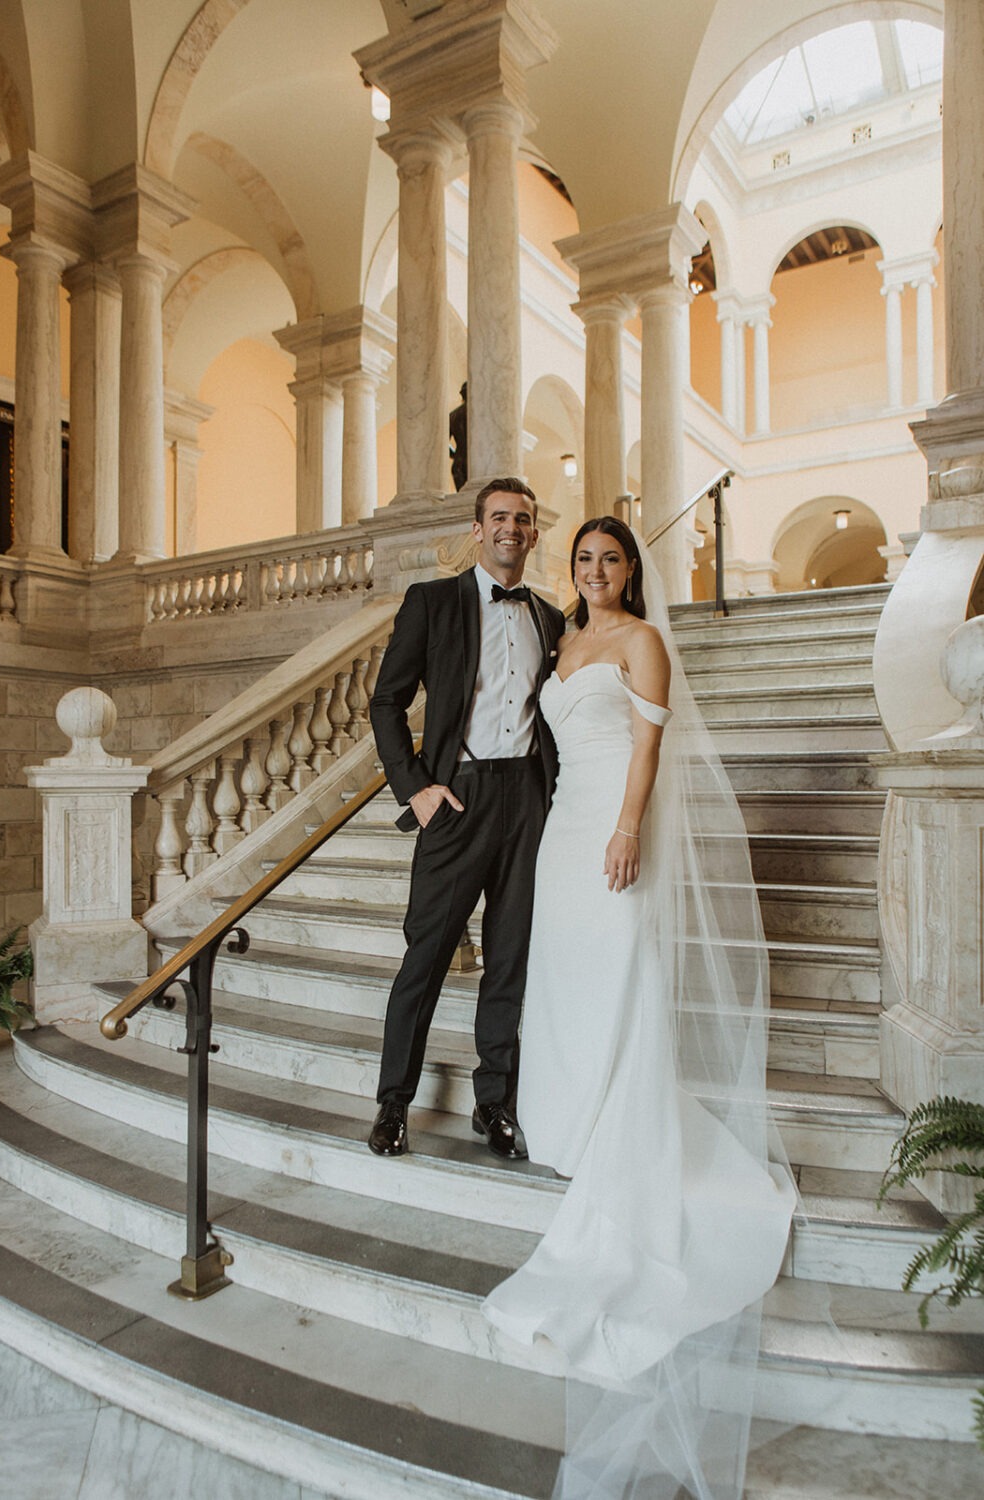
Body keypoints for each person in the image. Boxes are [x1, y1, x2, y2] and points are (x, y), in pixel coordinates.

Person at [482, 517, 797, 1500]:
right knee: (566, 975)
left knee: (619, 971)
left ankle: (620, 1121)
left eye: (609, 559)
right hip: (561, 831)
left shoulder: (642, 642)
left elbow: (648, 756)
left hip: (614, 828)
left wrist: (626, 830)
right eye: (582, 560)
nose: (595, 572)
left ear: (631, 570)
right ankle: (567, 1117)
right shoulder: (564, 639)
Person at [367, 478, 565, 1159]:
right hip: (457, 799)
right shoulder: (433, 602)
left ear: (535, 534)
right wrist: (415, 788)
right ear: (479, 529)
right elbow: (385, 702)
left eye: (524, 519)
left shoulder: (549, 618)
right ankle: (394, 1104)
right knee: (424, 958)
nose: (513, 528)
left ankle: (495, 1105)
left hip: (528, 803)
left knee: (509, 960)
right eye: (500, 517)